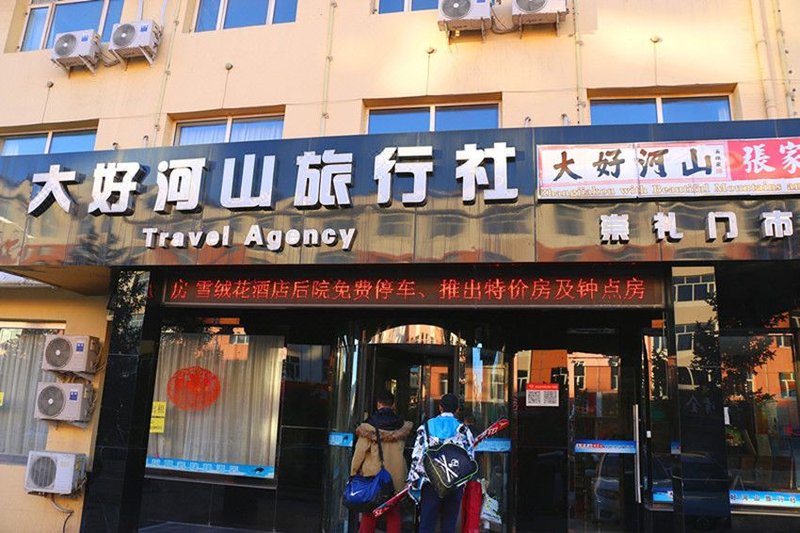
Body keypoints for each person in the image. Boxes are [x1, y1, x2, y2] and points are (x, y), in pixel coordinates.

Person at [407, 393, 475, 533]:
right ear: (457, 409)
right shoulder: (463, 430)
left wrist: (413, 482)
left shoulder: (426, 427)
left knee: (426, 524)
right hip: (454, 483)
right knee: (449, 524)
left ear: (440, 407)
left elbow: (417, 456)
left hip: (430, 482)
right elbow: (469, 457)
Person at [350, 390, 413, 533]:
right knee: (394, 513)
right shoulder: (401, 426)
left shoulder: (368, 427)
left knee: (369, 513)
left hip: (373, 476)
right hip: (396, 476)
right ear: (393, 405)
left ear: (378, 404)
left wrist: (353, 473)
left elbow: (359, 453)